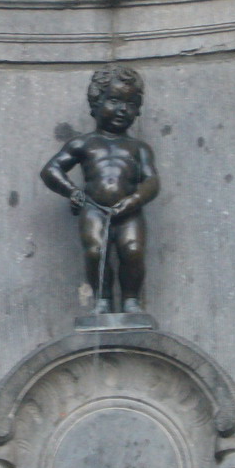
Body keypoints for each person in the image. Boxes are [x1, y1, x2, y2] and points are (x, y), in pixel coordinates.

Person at [41, 65, 160, 314]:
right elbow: (51, 170)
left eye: (130, 103)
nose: (122, 110)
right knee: (96, 251)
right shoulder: (84, 143)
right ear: (97, 102)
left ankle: (131, 300)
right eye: (114, 100)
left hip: (129, 210)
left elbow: (152, 181)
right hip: (94, 208)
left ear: (137, 109)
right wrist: (72, 191)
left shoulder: (138, 148)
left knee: (133, 251)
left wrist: (135, 200)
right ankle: (102, 299)